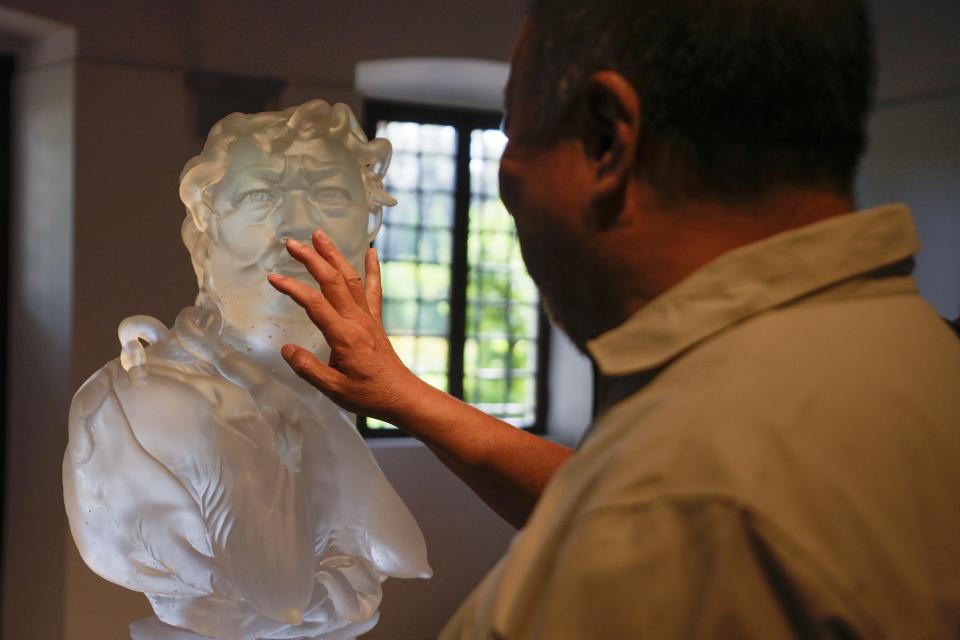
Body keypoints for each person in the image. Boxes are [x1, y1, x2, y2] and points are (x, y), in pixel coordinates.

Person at [268, 1, 960, 637]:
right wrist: (404, 393)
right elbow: (587, 483)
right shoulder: (905, 354)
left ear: (606, 138)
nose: (509, 177)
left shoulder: (683, 503)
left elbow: (655, 500)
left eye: (513, 132)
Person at [65, 100, 429, 640]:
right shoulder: (134, 401)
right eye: (261, 195)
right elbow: (277, 594)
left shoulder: (330, 394)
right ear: (205, 227)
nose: (300, 222)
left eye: (330, 193)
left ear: (368, 226)